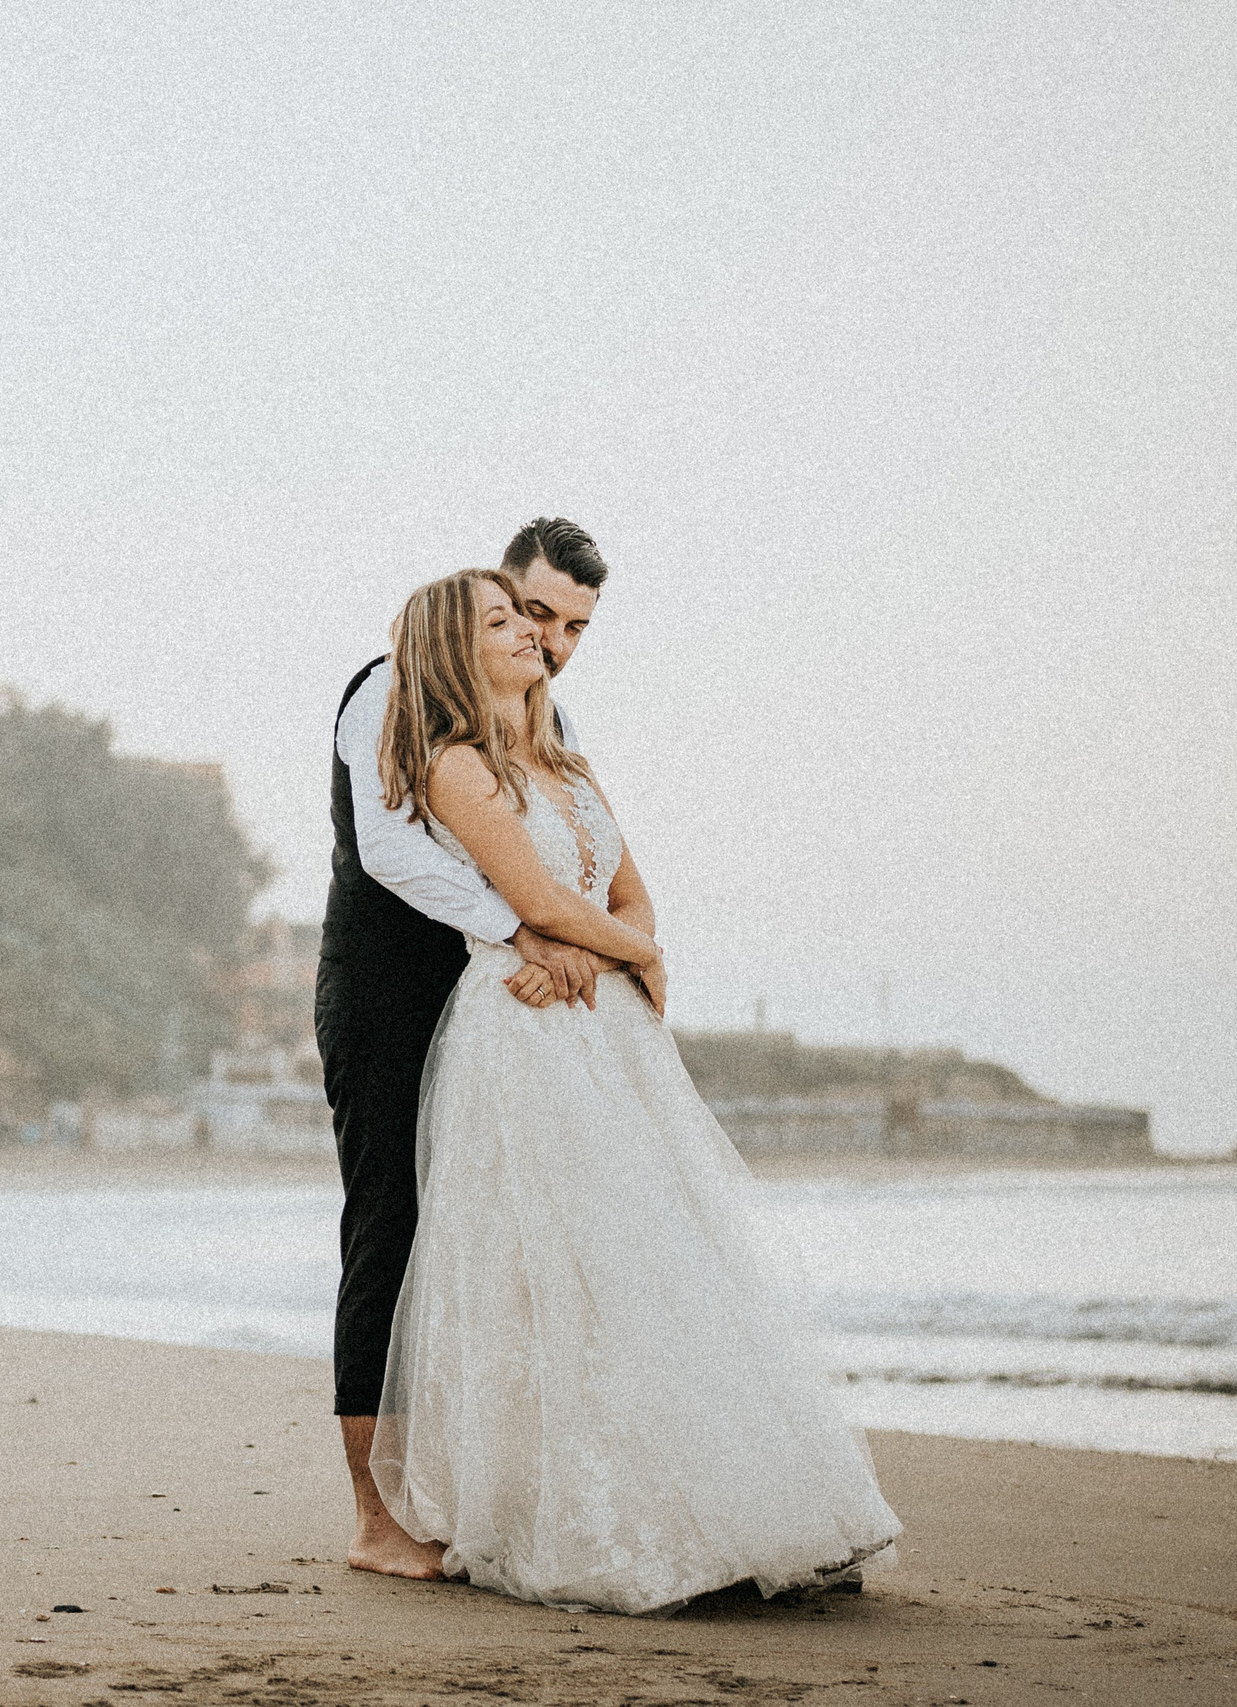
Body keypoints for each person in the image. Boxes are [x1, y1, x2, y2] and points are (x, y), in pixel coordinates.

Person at [366, 567, 900, 1613]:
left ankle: (741, 1499)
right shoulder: (454, 768)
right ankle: (601, 1519)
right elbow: (532, 899)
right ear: (452, 649)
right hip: (527, 1028)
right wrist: (633, 959)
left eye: (530, 618)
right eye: (501, 620)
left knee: (663, 1252)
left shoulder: (569, 764)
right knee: (561, 1266)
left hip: (603, 1025)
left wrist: (620, 951)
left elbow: (627, 897)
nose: (529, 631)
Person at [314, 516, 615, 1578]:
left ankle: (477, 1485)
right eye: (533, 613)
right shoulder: (385, 690)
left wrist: (569, 944)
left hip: (504, 1010)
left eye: (573, 627)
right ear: (493, 591)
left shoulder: (541, 711)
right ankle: (373, 1517)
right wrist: (520, 927)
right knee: (389, 1232)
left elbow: (571, 855)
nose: (550, 642)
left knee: (505, 1243)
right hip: (389, 999)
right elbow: (392, 850)